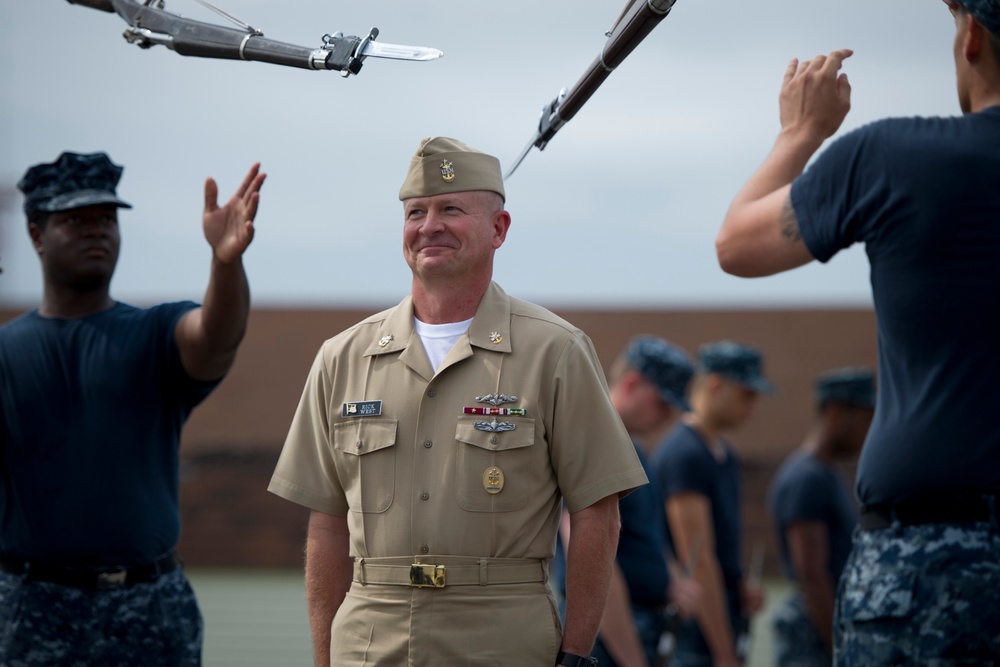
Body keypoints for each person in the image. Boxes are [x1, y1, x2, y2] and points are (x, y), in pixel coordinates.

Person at [267, 136, 648, 667]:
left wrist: (577, 654)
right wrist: (326, 658)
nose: (429, 226)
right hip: (370, 643)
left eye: (451, 209)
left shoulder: (555, 351)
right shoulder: (343, 358)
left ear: (499, 229)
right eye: (415, 212)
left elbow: (597, 513)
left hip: (503, 643)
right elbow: (327, 525)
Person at [714, 1, 1000, 661]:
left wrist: (799, 134)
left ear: (974, 37)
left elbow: (738, 244)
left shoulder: (894, 155)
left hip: (926, 563)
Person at [0, 151, 265, 666]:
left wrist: (225, 262)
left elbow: (216, 333)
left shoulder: (155, 334)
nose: (95, 231)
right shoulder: (6, 352)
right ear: (36, 234)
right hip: (29, 608)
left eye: (106, 219)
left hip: (149, 605)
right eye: (74, 220)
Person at [552, 335, 703, 667]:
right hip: (606, 640)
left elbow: (641, 539)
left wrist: (670, 583)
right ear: (632, 384)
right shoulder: (597, 444)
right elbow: (591, 564)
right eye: (663, 403)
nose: (668, 417)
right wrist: (632, 660)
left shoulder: (633, 449)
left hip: (636, 628)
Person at [652, 341, 769, 667]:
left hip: (723, 612)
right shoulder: (685, 454)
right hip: (695, 627)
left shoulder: (724, 453)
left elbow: (719, 547)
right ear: (716, 385)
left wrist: (740, 582)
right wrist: (723, 651)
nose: (752, 406)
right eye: (746, 394)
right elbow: (697, 559)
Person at [767, 368, 875, 666]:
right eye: (866, 417)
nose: (870, 429)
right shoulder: (807, 477)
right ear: (837, 412)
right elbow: (810, 573)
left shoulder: (827, 473)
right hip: (812, 633)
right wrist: (839, 648)